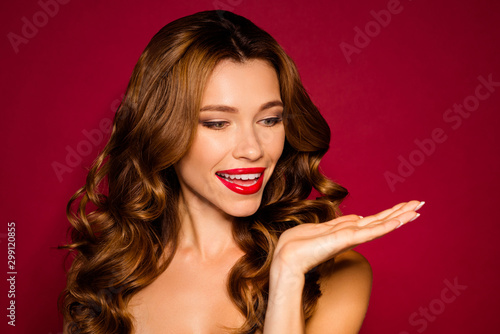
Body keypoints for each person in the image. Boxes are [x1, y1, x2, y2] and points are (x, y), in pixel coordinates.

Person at [60, 10, 424, 334]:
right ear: (162, 129)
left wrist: (287, 276)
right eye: (218, 123)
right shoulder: (109, 268)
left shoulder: (336, 273)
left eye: (269, 120)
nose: (252, 149)